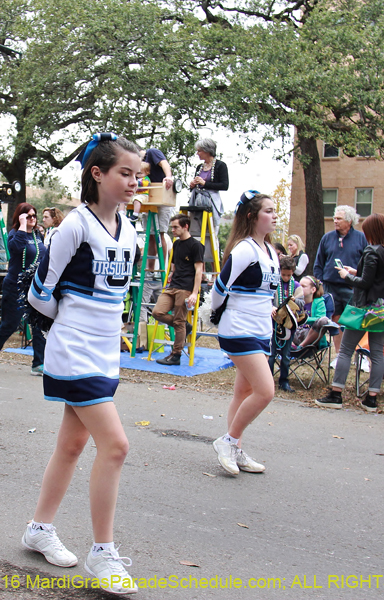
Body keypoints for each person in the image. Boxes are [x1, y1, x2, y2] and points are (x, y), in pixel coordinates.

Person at [22, 133, 139, 594]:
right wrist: (69, 328)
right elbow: (39, 293)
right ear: (98, 174)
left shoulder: (129, 227)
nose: (133, 182)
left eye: (137, 175)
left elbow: (117, 294)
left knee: (72, 446)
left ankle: (38, 529)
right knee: (116, 447)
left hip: (106, 352)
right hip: (74, 350)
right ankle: (103, 553)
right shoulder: (75, 224)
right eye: (124, 173)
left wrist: (114, 329)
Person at [208, 190, 279, 475]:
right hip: (239, 328)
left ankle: (235, 448)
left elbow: (266, 294)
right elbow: (219, 289)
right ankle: (228, 441)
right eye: (269, 211)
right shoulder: (244, 249)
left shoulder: (271, 250)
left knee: (244, 391)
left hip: (262, 328)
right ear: (252, 216)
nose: (274, 216)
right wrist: (214, 314)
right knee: (265, 391)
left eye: (275, 211)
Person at [315, 213, 384, 413]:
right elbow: (378, 277)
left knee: (346, 349)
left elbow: (365, 283)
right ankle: (372, 398)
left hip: (365, 307)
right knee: (377, 352)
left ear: (373, 231)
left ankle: (336, 394)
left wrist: (347, 276)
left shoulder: (371, 251)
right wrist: (356, 271)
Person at [0, 202, 47, 374]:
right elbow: (14, 249)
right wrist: (22, 226)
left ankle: (38, 363)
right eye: (28, 216)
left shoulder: (37, 235)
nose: (33, 219)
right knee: (10, 324)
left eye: (34, 215)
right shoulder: (14, 235)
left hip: (34, 287)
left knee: (39, 325)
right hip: (15, 286)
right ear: (20, 218)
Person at [314, 205, 368, 357]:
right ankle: (339, 355)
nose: (335, 221)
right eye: (334, 218)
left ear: (349, 221)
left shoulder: (361, 238)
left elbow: (367, 263)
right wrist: (320, 284)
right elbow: (319, 262)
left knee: (355, 320)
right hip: (330, 286)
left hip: (352, 286)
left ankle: (360, 355)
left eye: (339, 218)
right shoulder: (327, 238)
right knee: (335, 319)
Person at [152, 214, 204, 366]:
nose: (172, 230)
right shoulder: (176, 244)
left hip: (186, 288)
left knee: (179, 320)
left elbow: (199, 271)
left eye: (175, 227)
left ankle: (176, 355)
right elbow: (176, 265)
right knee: (157, 312)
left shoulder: (196, 246)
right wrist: (171, 275)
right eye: (172, 227)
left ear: (185, 226)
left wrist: (195, 293)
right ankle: (182, 327)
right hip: (173, 285)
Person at [188, 138, 230, 264]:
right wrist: (192, 185)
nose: (197, 154)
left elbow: (224, 185)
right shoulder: (200, 167)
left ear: (207, 151)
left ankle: (214, 270)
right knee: (198, 235)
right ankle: (202, 271)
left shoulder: (220, 165)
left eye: (199, 151)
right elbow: (196, 186)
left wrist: (205, 183)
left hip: (211, 203)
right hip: (198, 202)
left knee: (211, 236)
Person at [269, 255, 302, 392]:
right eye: (283, 274)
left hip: (289, 326)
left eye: (289, 275)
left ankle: (284, 380)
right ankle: (268, 380)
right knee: (271, 354)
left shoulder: (297, 286)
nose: (286, 278)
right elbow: (267, 298)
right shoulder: (274, 283)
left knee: (286, 355)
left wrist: (295, 300)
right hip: (273, 324)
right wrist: (270, 307)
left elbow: (302, 303)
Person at [292, 275, 336, 350]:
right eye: (299, 285)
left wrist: (305, 319)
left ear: (313, 289)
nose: (299, 288)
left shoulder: (319, 302)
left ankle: (300, 347)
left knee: (324, 320)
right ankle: (291, 346)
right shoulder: (294, 300)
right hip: (293, 333)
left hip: (310, 335)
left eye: (303, 286)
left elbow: (320, 318)